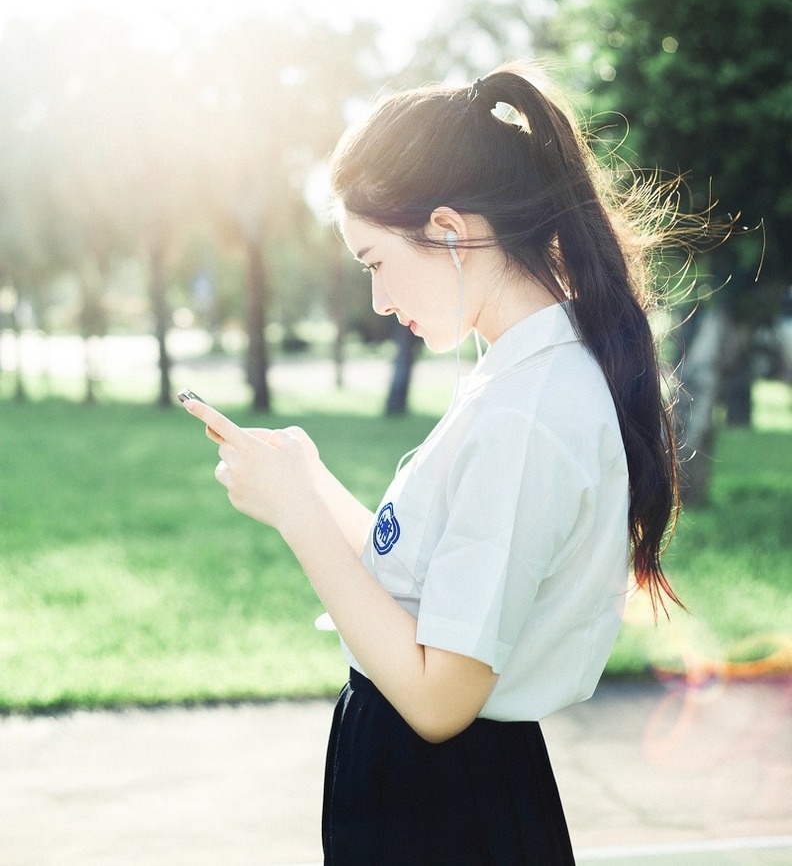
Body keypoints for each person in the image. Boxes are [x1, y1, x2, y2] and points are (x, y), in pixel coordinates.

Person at [180, 63, 682, 865]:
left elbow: (439, 698)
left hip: (444, 805)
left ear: (448, 231)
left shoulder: (527, 413)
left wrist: (298, 516)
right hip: (441, 795)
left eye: (375, 261)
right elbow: (424, 586)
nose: (378, 301)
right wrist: (309, 484)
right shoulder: (518, 376)